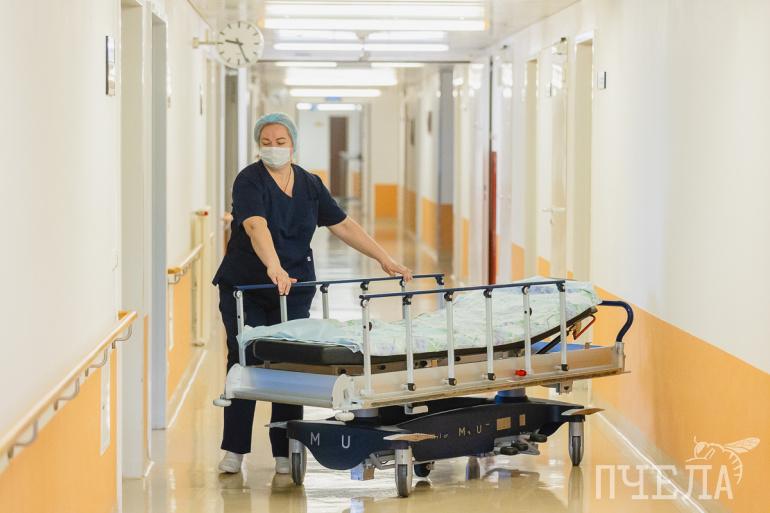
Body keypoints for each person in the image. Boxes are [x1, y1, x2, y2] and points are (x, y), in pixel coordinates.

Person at [212, 112, 413, 474]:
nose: (273, 148)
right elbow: (255, 226)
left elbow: (343, 225)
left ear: (293, 144)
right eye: (266, 142)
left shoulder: (310, 184)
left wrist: (384, 258)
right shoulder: (249, 180)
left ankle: (285, 450)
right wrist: (274, 266)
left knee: (289, 362)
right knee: (246, 359)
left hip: (294, 287)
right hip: (247, 286)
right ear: (259, 145)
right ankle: (235, 449)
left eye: (281, 142)